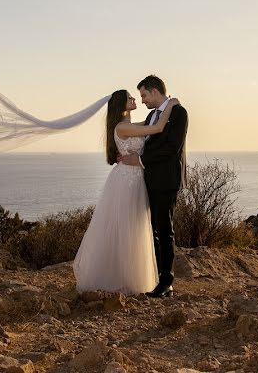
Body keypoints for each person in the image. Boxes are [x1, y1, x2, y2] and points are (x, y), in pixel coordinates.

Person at [72, 89, 179, 294]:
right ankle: (121, 277)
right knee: (126, 228)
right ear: (121, 104)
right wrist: (171, 105)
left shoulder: (128, 126)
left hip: (135, 179)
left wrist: (163, 110)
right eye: (130, 98)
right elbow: (156, 128)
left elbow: (150, 125)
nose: (134, 99)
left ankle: (131, 276)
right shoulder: (122, 128)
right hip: (126, 181)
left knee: (134, 228)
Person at [118, 75, 189, 298]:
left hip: (167, 180)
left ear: (155, 91)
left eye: (144, 95)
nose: (143, 101)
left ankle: (166, 282)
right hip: (147, 180)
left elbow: (172, 148)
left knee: (164, 229)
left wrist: (139, 161)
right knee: (153, 229)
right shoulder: (152, 116)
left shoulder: (179, 113)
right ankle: (157, 277)